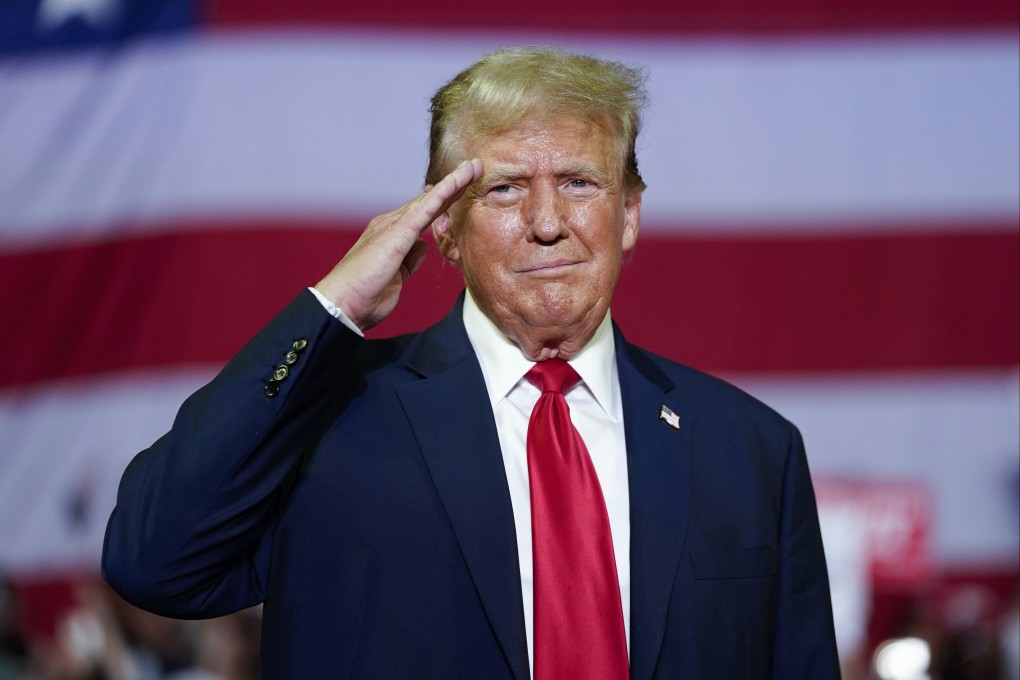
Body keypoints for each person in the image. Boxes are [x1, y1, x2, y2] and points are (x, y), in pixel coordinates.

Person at [103, 47, 840, 679]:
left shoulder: (750, 451)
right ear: (444, 229)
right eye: (506, 189)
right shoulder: (332, 422)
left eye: (580, 183)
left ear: (630, 215)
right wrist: (330, 308)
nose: (548, 224)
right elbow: (153, 560)